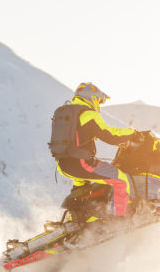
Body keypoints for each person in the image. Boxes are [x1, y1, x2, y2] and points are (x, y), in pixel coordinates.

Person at [55, 82, 143, 216]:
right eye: (99, 101)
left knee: (82, 186)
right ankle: (118, 220)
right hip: (81, 164)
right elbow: (111, 135)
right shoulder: (88, 114)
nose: (99, 105)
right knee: (121, 180)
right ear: (93, 98)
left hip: (63, 165)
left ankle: (77, 216)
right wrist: (133, 134)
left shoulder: (68, 114)